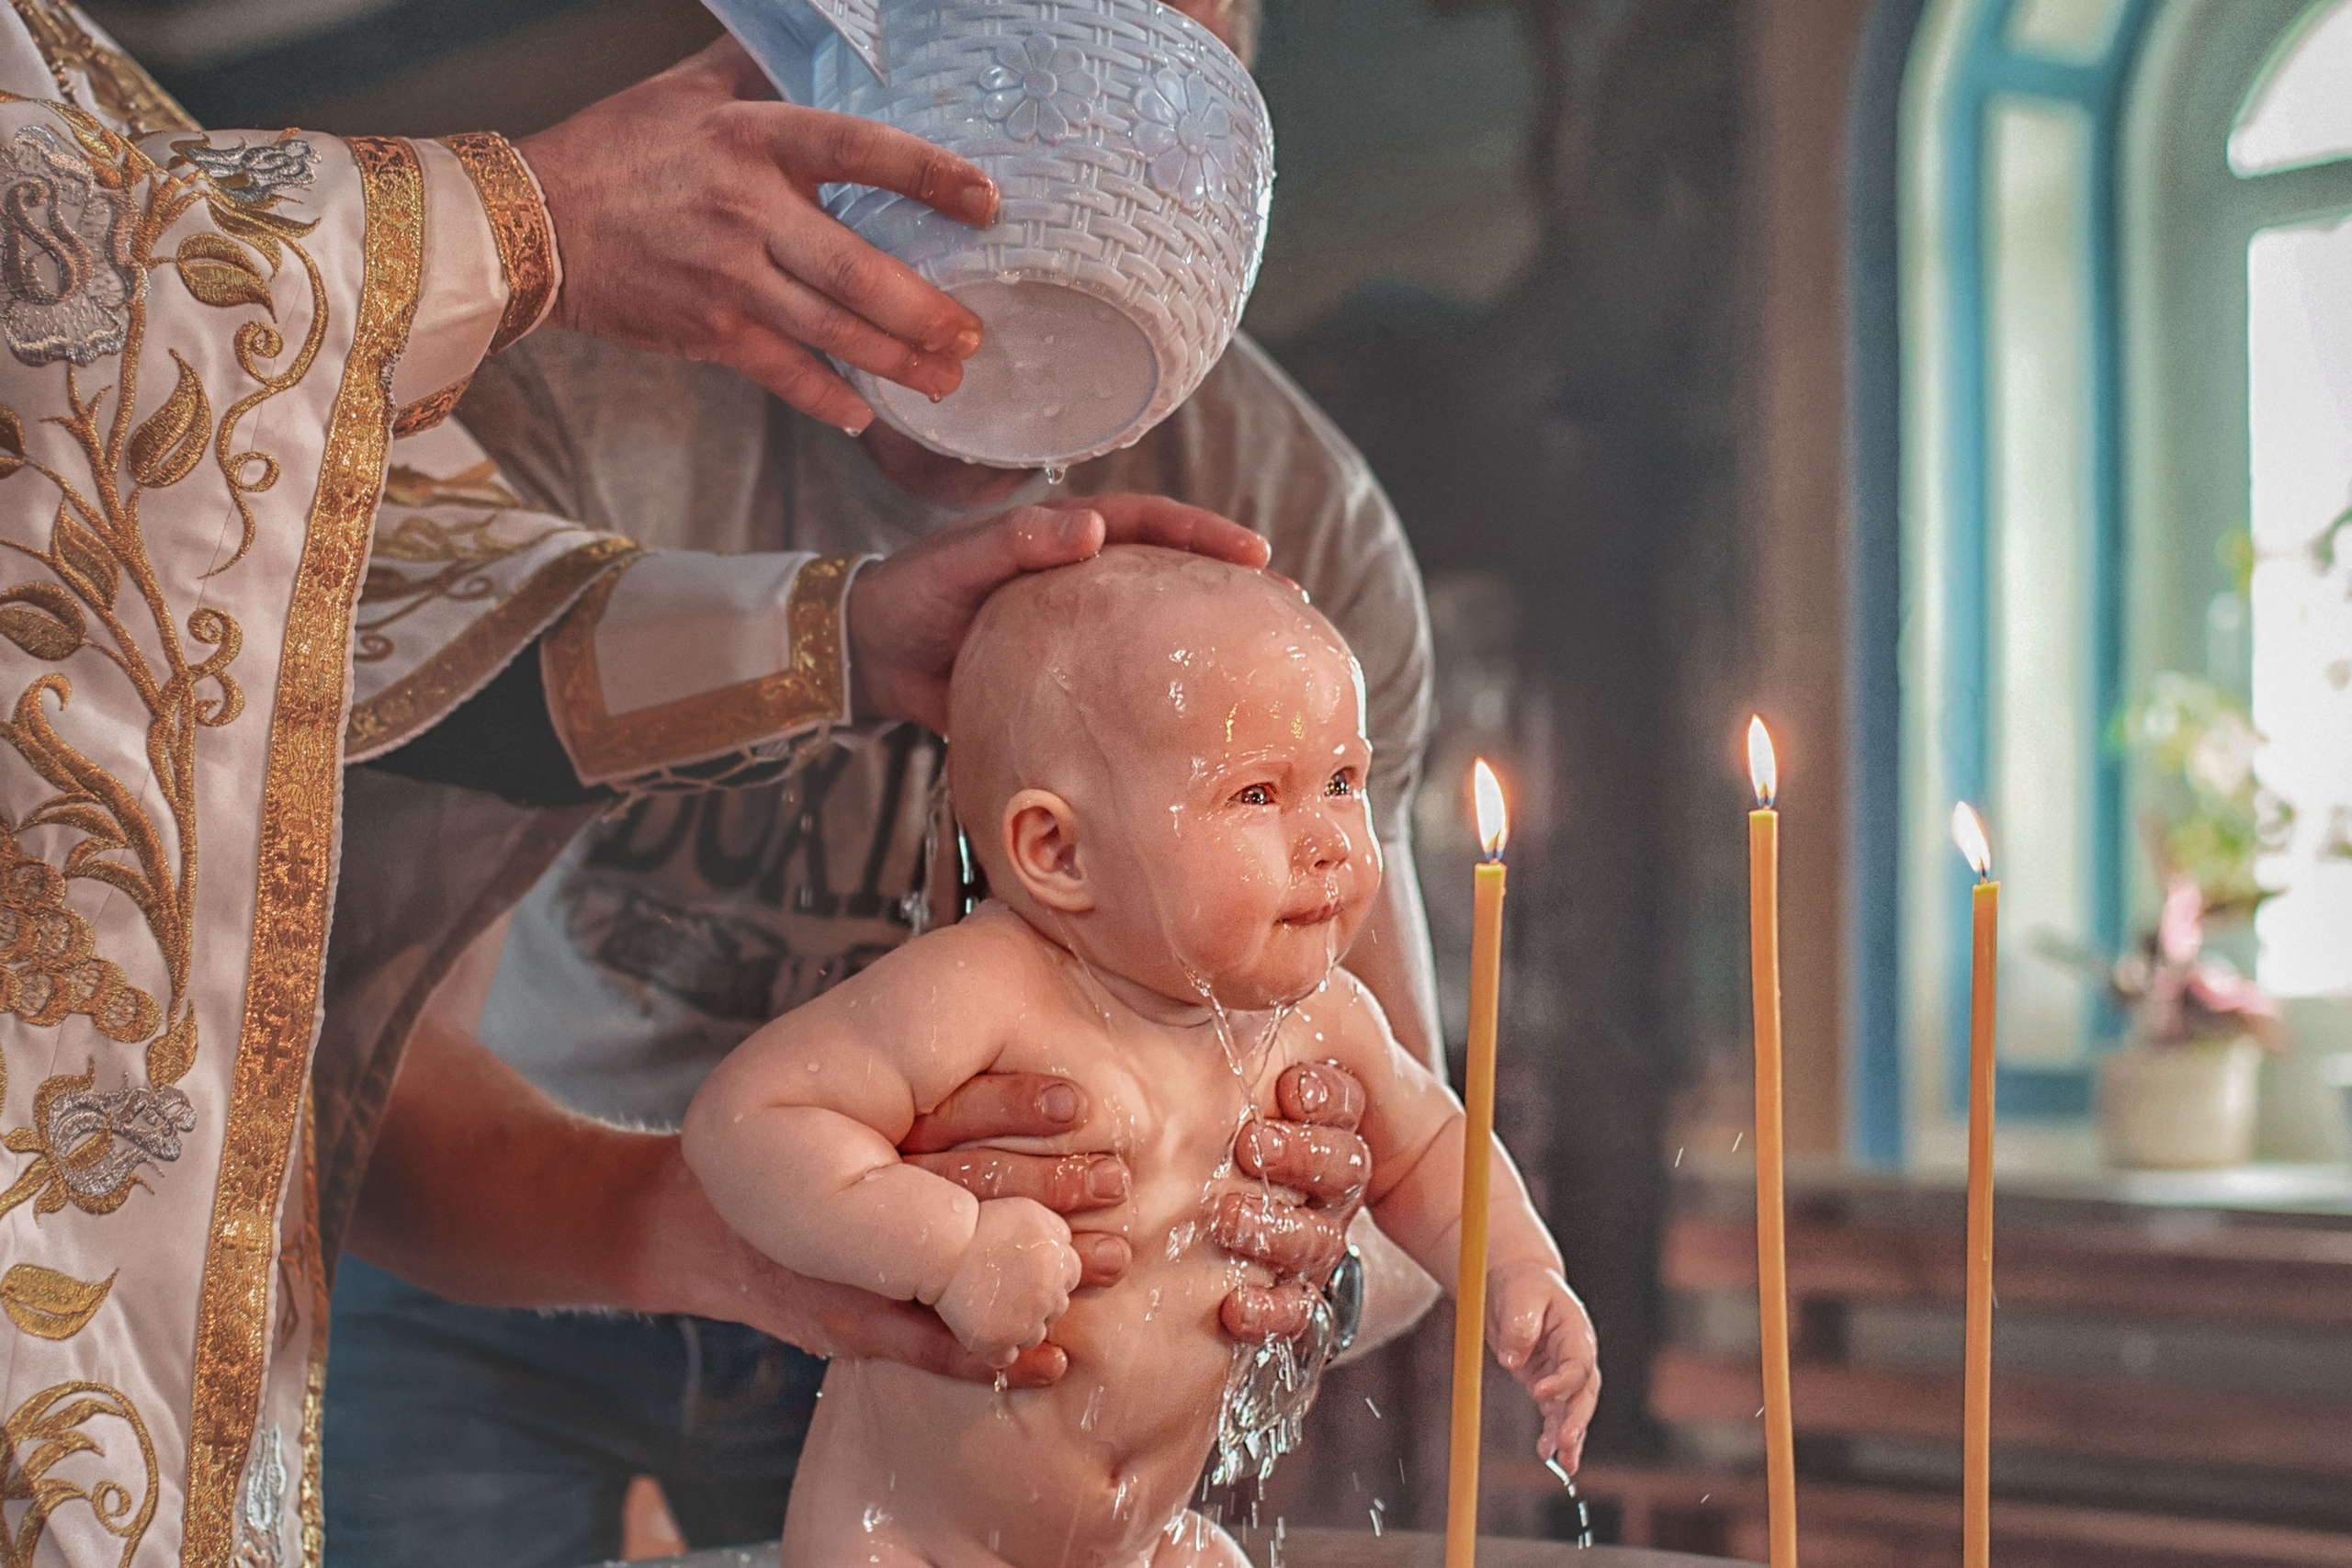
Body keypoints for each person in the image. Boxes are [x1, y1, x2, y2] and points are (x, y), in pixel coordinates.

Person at [0, 6, 1275, 1564]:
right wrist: (514, 223)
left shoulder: (1279, 494)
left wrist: (835, 639)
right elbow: (72, 329)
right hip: (483, 1264)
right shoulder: (568, 383)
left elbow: (379, 581)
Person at [320, 9, 1454, 1562]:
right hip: (517, 1247)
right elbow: (345, 1093)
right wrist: (766, 1221)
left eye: (1161, 93)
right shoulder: (571, 397)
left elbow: (1408, 1167)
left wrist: (1286, 1238)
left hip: (991, 1317)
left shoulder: (1280, 522)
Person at [684, 547, 1596, 1568]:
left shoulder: (1321, 1016)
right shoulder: (980, 990)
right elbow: (748, 1120)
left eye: (1344, 780)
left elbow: (1428, 1150)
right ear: (1059, 854)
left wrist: (1518, 1267)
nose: (1332, 839)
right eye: (1258, 795)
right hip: (908, 1540)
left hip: (1140, 1542)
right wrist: (943, 1246)